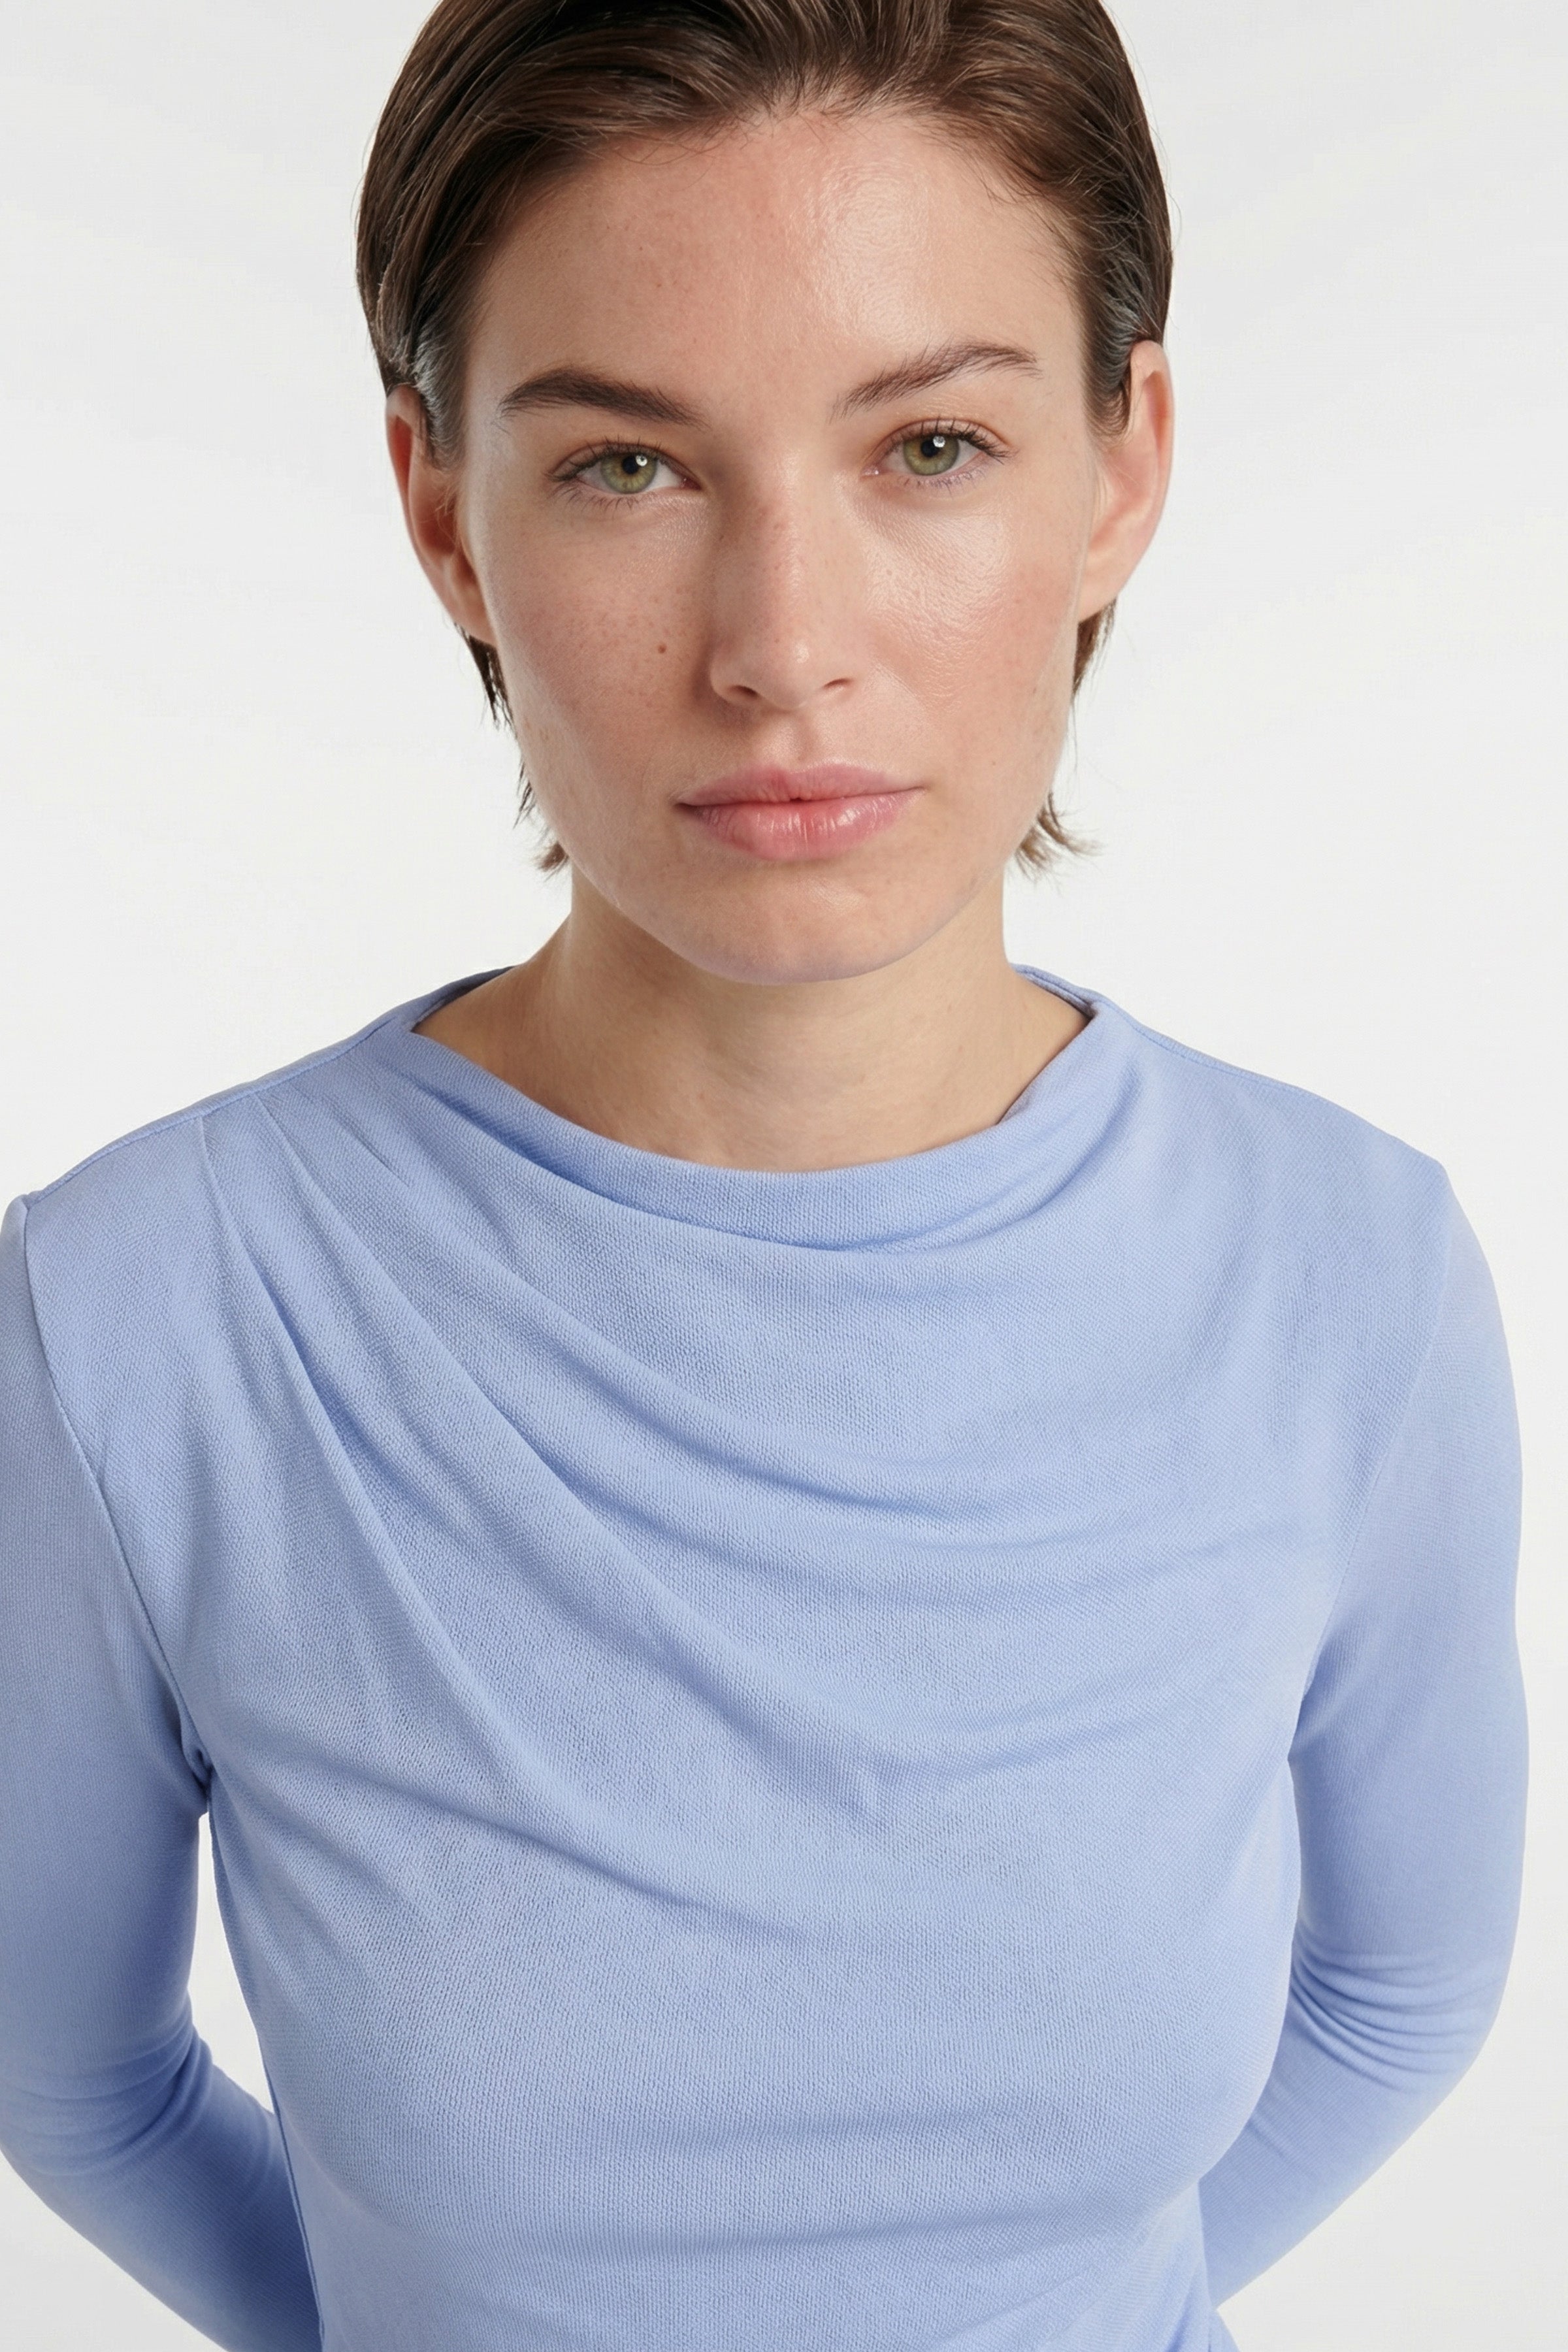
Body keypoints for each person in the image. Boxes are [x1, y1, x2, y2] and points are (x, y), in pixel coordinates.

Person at [0, 3, 1527, 2349]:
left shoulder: (1350, 1274)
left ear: (1121, 467)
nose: (784, 649)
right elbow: (68, 2071)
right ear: (445, 511)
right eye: (628, 466)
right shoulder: (140, 1321)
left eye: (930, 444)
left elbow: (1401, 1996)